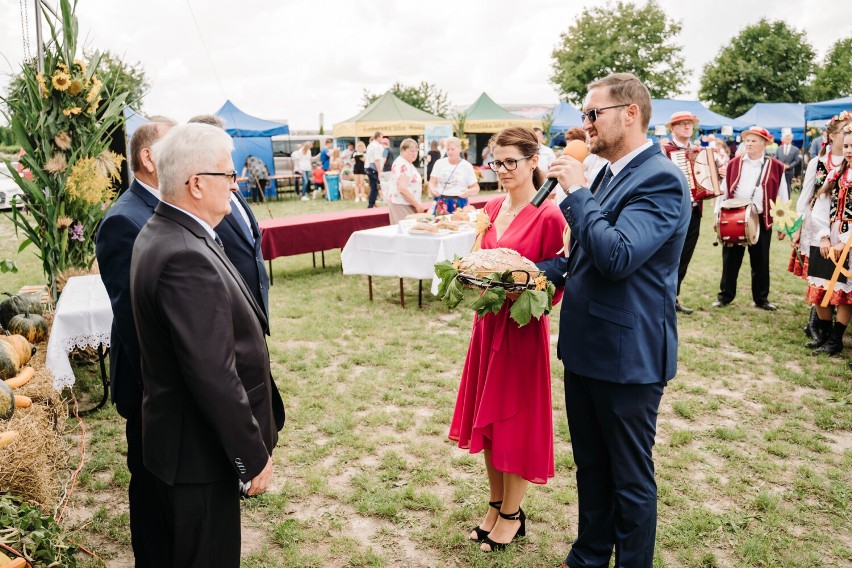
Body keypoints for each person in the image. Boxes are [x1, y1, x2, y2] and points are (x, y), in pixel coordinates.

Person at [539, 72, 690, 568]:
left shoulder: (662, 178)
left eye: (592, 114)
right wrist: (529, 273)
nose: (583, 126)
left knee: (629, 477)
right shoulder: (606, 174)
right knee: (591, 467)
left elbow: (618, 256)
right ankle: (587, 556)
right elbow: (584, 256)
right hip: (585, 346)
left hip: (628, 356)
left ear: (630, 113)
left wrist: (577, 193)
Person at [130, 123, 284, 566]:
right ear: (196, 184)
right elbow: (212, 373)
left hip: (182, 444)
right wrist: (250, 457)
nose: (235, 186)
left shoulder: (170, 230)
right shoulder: (183, 252)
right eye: (229, 175)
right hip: (197, 455)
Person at [449, 126, 567, 554]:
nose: (501, 170)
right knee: (489, 422)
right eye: (495, 162)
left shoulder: (551, 215)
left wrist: (524, 286)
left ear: (534, 161)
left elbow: (557, 280)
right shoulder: (492, 206)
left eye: (510, 162)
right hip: (487, 327)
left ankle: (514, 516)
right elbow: (481, 261)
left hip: (520, 331)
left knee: (513, 421)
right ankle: (495, 505)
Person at [95, 119, 175, 567]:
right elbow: (135, 319)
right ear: (148, 158)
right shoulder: (125, 219)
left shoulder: (157, 207)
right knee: (149, 485)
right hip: (148, 385)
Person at [712, 126, 788, 310]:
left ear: (764, 143)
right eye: (747, 140)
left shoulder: (776, 166)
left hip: (761, 218)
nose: (749, 143)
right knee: (730, 259)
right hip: (733, 214)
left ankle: (761, 299)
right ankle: (725, 296)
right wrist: (717, 216)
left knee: (761, 261)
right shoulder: (733, 163)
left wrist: (782, 224)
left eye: (754, 140)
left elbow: (782, 195)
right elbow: (724, 190)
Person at [802, 114, 852, 352]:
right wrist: (823, 235)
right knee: (820, 284)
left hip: (849, 237)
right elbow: (820, 204)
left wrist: (846, 241)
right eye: (848, 145)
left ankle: (835, 338)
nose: (849, 150)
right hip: (829, 233)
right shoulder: (835, 173)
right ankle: (821, 332)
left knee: (846, 290)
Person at [661, 111, 706, 315]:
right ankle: (663, 297)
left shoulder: (700, 152)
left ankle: (673, 296)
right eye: (682, 124)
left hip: (695, 211)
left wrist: (717, 175)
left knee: (685, 255)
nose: (687, 127)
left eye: (690, 124)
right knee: (669, 255)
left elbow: (705, 182)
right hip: (672, 211)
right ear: (673, 128)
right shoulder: (664, 150)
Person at [428, 136, 480, 214]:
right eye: (448, 149)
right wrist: (432, 189)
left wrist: (468, 192)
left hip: (460, 202)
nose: (450, 152)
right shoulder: (439, 163)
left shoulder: (466, 166)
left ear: (459, 149)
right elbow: (432, 182)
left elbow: (476, 187)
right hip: (441, 201)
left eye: (452, 149)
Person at [387, 138, 422, 224]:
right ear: (403, 151)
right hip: (402, 204)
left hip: (407, 203)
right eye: (411, 151)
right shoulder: (403, 164)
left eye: (416, 151)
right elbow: (402, 189)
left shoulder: (407, 163)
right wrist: (417, 205)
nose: (414, 153)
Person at [365, 131, 384, 207]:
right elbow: (376, 159)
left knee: (374, 186)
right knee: (375, 187)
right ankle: (370, 204)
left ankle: (372, 202)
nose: (382, 139)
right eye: (381, 137)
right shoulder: (376, 146)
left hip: (369, 167)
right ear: (378, 137)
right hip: (373, 168)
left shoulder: (371, 145)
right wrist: (379, 171)